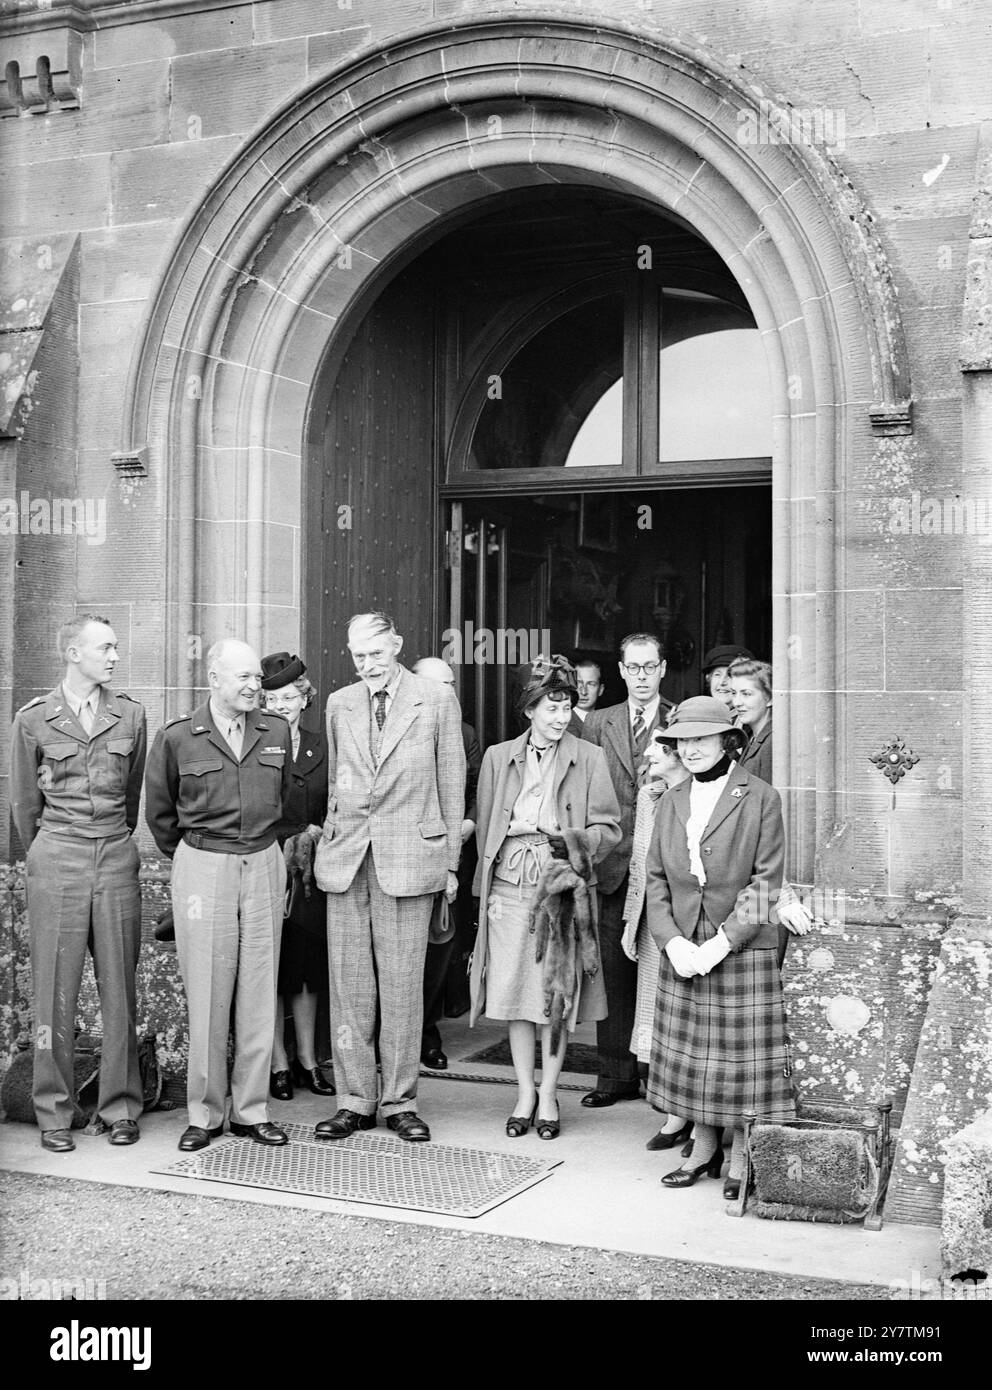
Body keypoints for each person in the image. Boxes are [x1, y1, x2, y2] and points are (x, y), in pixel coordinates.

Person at [312, 612, 465, 1144]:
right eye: (358, 656)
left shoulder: (434, 697)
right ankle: (354, 1100)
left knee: (402, 987)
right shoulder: (340, 703)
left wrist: (448, 863)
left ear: (397, 645)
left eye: (376, 653)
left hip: (410, 858)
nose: (368, 665)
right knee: (350, 987)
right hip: (348, 860)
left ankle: (400, 1101)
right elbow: (336, 782)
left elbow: (452, 779)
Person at [644, 696, 795, 1200]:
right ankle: (705, 1152)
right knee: (696, 1058)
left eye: (700, 739)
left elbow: (767, 882)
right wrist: (673, 943)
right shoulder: (671, 800)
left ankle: (741, 1160)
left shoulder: (761, 797)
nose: (689, 750)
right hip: (685, 941)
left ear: (727, 740)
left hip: (741, 945)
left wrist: (722, 943)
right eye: (682, 741)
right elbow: (656, 880)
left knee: (739, 1062)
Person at [145, 639, 292, 1151]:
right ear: (214, 678)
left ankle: (252, 1110)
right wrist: (196, 860)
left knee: (258, 985)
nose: (255, 686)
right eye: (243, 678)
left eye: (257, 677)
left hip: (264, 862)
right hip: (204, 862)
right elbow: (161, 815)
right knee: (207, 988)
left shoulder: (277, 730)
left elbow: (285, 801)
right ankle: (204, 1114)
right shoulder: (179, 736)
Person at [9, 615, 147, 1152]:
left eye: (116, 646)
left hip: (114, 855)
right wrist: (56, 848)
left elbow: (131, 793)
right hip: (57, 859)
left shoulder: (130, 713)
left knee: (121, 989)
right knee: (53, 992)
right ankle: (53, 1111)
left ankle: (120, 1107)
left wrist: (107, 840)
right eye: (105, 647)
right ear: (72, 653)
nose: (114, 656)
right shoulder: (33, 719)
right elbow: (24, 803)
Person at [470, 656, 621, 1139]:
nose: (560, 718)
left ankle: (551, 1094)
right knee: (515, 995)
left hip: (560, 887)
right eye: (551, 708)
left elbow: (609, 830)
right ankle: (524, 1093)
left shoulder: (589, 757)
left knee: (555, 997)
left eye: (566, 707)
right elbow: (487, 829)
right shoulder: (497, 756)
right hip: (510, 889)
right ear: (529, 709)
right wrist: (490, 884)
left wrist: (568, 838)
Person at [579, 631, 673, 1107]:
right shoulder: (597, 723)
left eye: (648, 667)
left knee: (663, 971)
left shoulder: (680, 720)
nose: (640, 676)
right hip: (611, 864)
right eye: (631, 668)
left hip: (663, 868)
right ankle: (614, 1076)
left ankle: (662, 1080)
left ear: (661, 668)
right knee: (612, 971)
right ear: (620, 670)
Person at [260, 651, 335, 1101]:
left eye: (290, 697)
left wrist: (320, 834)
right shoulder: (251, 743)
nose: (281, 705)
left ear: (304, 699)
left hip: (311, 873)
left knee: (305, 970)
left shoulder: (321, 743)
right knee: (266, 971)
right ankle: (277, 1064)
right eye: (272, 699)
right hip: (266, 865)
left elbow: (336, 800)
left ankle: (308, 1061)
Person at [620, 729, 692, 1151]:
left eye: (657, 749)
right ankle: (674, 1115)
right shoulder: (650, 797)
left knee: (692, 1022)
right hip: (653, 922)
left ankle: (703, 1123)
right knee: (659, 1018)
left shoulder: (703, 794)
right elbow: (640, 865)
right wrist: (632, 921)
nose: (647, 753)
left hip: (690, 923)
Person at [411, 656, 482, 1071]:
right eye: (441, 685)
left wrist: (469, 822)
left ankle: (427, 1034)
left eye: (453, 684)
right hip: (406, 856)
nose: (450, 693)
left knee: (440, 946)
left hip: (453, 854)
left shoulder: (465, 732)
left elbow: (475, 786)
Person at [726, 656, 813, 959]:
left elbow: (767, 819)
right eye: (733, 693)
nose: (737, 701)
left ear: (771, 698)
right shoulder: (753, 739)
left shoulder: (773, 742)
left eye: (746, 694)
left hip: (771, 872)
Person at [700, 644, 753, 711]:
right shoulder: (701, 714)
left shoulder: (750, 718)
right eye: (717, 675)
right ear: (708, 679)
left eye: (729, 675)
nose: (722, 682)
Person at [567, 657, 604, 735]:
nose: (583, 692)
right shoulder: (563, 722)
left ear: (600, 690)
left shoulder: (607, 724)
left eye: (591, 684)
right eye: (578, 683)